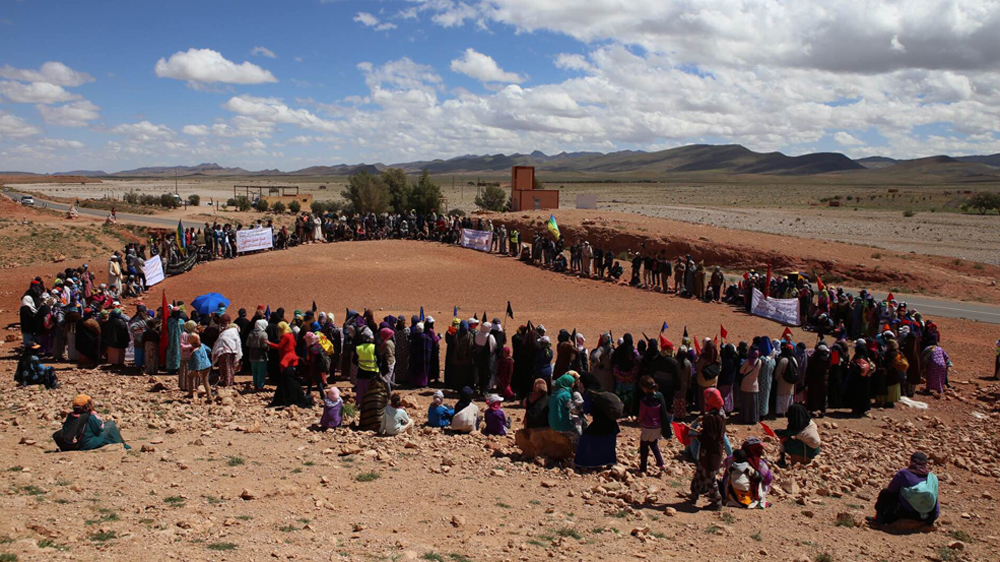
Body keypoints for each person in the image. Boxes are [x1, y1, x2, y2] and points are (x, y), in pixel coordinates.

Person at [872, 451, 939, 527]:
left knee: (885, 493)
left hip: (908, 513)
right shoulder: (933, 478)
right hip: (929, 516)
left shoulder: (904, 474)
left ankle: (879, 520)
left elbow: (891, 490)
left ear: (911, 462)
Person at [574, 373, 624, 469]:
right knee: (608, 444)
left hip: (599, 423)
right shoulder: (602, 391)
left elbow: (586, 410)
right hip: (611, 424)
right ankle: (610, 462)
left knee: (585, 439)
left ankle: (582, 463)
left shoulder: (590, 393)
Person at [689, 388, 726, 510]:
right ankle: (694, 494)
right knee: (700, 472)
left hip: (710, 452)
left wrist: (696, 435)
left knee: (709, 477)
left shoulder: (710, 418)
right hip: (715, 450)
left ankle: (717, 501)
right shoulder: (720, 414)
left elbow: (709, 438)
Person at [53, 395, 130, 451]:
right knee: (110, 425)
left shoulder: (70, 416)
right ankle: (123, 445)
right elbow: (99, 429)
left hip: (75, 443)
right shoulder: (90, 417)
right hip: (86, 444)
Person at [721, 437, 773, 509]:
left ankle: (730, 498)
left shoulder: (731, 458)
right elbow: (768, 480)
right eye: (759, 448)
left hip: (731, 493)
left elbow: (725, 465)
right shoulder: (760, 464)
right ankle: (757, 500)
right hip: (748, 493)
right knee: (762, 481)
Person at [637, 376, 669, 474]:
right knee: (654, 444)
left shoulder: (644, 401)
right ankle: (661, 463)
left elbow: (642, 413)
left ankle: (643, 467)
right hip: (657, 426)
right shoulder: (659, 397)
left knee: (643, 447)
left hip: (647, 427)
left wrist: (639, 420)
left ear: (644, 388)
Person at [612, 334, 640, 415]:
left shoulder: (618, 350)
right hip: (631, 378)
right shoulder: (633, 351)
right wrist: (630, 376)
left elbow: (614, 363)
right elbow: (637, 363)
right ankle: (630, 411)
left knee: (620, 395)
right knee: (631, 395)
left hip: (619, 377)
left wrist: (620, 375)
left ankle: (621, 410)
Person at [211, 318, 243, 387]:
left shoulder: (226, 332)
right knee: (230, 367)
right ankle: (229, 382)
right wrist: (238, 355)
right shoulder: (233, 332)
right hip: (231, 351)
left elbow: (218, 343)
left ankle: (226, 382)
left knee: (225, 367)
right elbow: (238, 343)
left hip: (224, 352)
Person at [187, 333, 213, 403]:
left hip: (200, 368)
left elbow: (197, 361)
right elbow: (209, 350)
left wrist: (196, 370)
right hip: (207, 365)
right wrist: (204, 357)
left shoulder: (195, 351)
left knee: (190, 377)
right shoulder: (202, 345)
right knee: (205, 381)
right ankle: (209, 396)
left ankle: (190, 393)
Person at [773, 342, 798, 416]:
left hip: (783, 381)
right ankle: (788, 410)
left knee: (781, 396)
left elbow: (778, 372)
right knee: (789, 396)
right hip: (791, 381)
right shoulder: (794, 359)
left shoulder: (783, 360)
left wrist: (776, 379)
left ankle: (781, 411)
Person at [738, 348, 761, 424]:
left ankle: (745, 418)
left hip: (746, 384)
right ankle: (753, 419)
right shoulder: (759, 361)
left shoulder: (748, 361)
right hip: (755, 385)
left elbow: (741, 371)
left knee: (745, 402)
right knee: (753, 403)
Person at [246, 319, 270, 391]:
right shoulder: (264, 334)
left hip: (252, 355)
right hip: (261, 356)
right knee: (261, 372)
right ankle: (260, 386)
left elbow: (247, 344)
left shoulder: (251, 333)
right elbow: (265, 346)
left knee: (255, 371)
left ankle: (256, 384)